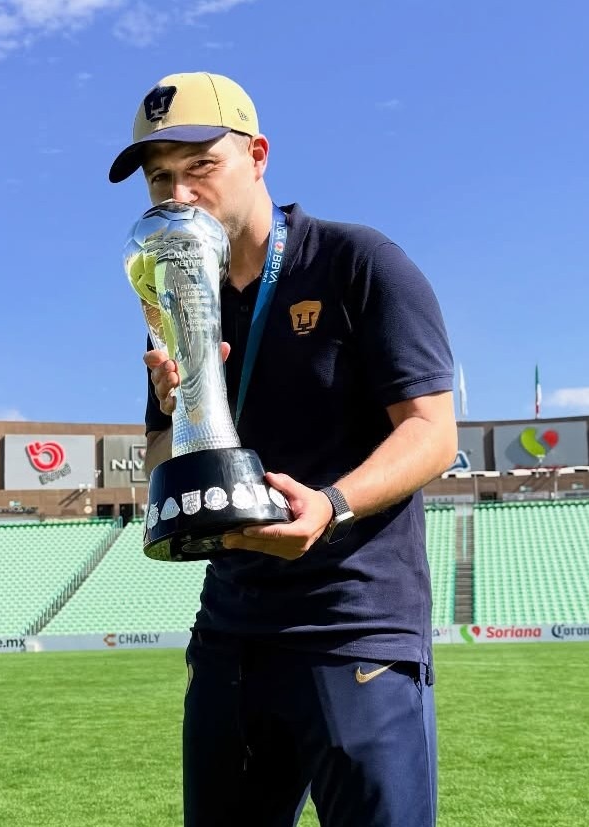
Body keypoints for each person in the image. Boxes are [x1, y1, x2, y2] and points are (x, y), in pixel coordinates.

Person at [109, 72, 460, 827]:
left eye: (201, 165)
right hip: (232, 635)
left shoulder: (357, 261)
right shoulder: (174, 295)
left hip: (354, 627)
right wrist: (177, 408)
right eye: (159, 177)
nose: (179, 193)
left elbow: (434, 432)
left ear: (258, 155)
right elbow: (164, 459)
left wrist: (331, 505)